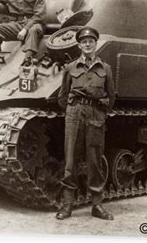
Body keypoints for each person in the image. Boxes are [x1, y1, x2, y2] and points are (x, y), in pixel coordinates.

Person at [56, 27, 115, 221]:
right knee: (70, 160)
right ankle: (67, 205)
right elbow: (62, 97)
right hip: (74, 115)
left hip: (96, 115)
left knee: (95, 161)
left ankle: (97, 205)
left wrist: (98, 112)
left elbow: (111, 97)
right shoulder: (71, 68)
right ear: (79, 45)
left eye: (91, 41)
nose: (87, 44)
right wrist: (73, 111)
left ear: (95, 44)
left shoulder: (104, 69)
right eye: (84, 41)